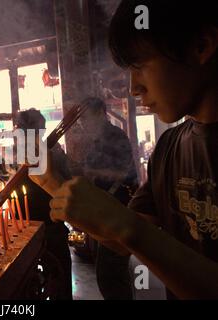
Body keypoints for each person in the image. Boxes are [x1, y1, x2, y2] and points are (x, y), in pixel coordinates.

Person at [29, 0, 218, 299]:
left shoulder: (118, 137)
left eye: (140, 66)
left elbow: (129, 229)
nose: (133, 88)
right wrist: (53, 183)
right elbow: (120, 240)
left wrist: (126, 225)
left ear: (201, 46)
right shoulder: (169, 146)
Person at [0, 108, 74, 299]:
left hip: (48, 228)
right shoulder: (7, 158)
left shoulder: (54, 154)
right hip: (21, 233)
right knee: (27, 287)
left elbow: (68, 187)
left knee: (54, 283)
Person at [73, 97, 139, 299]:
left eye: (86, 117)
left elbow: (122, 174)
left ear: (101, 112)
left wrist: (90, 171)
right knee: (110, 271)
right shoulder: (98, 139)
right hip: (105, 209)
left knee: (110, 273)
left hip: (116, 209)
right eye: (81, 119)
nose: (83, 122)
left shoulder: (115, 136)